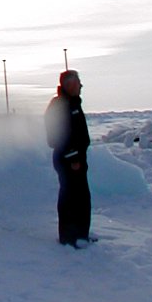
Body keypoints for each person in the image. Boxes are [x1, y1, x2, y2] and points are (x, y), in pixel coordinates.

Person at [45, 70, 92, 248]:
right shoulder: (60, 105)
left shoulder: (73, 104)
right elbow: (57, 135)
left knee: (81, 197)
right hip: (68, 159)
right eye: (76, 83)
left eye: (79, 82)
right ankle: (68, 237)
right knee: (70, 198)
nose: (80, 86)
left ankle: (81, 234)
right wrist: (72, 156)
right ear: (68, 85)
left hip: (77, 158)